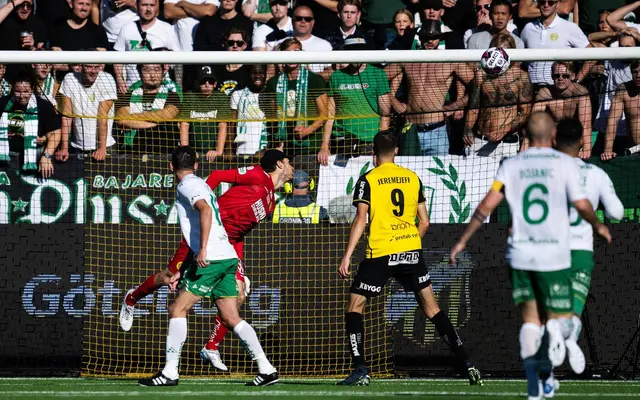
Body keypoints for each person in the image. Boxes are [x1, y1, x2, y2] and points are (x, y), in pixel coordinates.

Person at [450, 112, 612, 400]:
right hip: (555, 253)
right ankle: (561, 339)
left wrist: (462, 240)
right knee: (561, 317)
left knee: (529, 322)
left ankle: (537, 386)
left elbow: (487, 206)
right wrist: (597, 224)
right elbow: (581, 203)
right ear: (552, 137)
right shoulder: (564, 164)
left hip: (522, 254)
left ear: (526, 135)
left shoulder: (511, 165)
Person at [120, 149, 294, 372]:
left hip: (227, 245)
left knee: (239, 294)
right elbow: (218, 176)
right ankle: (132, 299)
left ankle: (211, 347)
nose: (292, 167)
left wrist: (237, 261)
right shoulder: (257, 174)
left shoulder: (271, 199)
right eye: (289, 162)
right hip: (203, 234)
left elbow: (239, 230)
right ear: (279, 164)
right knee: (168, 277)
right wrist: (205, 201)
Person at [337, 130, 483, 386]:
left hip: (380, 252)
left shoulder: (368, 179)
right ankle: (467, 363)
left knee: (355, 306)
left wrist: (347, 255)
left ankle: (361, 368)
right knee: (432, 308)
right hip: (411, 251)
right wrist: (407, 240)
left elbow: (361, 219)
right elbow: (424, 222)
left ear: (373, 153)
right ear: (396, 151)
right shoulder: (412, 178)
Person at [541, 118, 623, 397]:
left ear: (554, 140)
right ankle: (569, 336)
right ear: (581, 143)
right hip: (580, 250)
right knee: (573, 310)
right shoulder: (595, 174)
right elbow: (617, 213)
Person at [385, 20, 474, 156]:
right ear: (419, 38)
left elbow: (478, 86)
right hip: (411, 130)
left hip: (436, 130)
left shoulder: (450, 61)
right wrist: (394, 102)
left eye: (434, 37)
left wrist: (455, 106)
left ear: (441, 38)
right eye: (426, 37)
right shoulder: (408, 60)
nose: (430, 41)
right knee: (410, 174)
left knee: (438, 175)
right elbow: (379, 78)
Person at [320, 35, 391, 164]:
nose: (357, 54)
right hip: (342, 141)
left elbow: (385, 114)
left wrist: (380, 149)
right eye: (352, 50)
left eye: (360, 50)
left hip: (370, 143)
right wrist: (325, 146)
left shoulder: (378, 74)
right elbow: (330, 115)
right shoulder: (336, 76)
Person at [464, 34, 532, 158]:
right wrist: (468, 128)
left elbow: (525, 112)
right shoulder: (480, 76)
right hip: (481, 141)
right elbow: (473, 108)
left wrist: (505, 129)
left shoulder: (521, 77)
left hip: (507, 143)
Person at [262, 37, 328, 158]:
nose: (292, 56)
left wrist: (307, 130)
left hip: (309, 147)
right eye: (288, 53)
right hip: (282, 147)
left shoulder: (314, 80)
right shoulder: (273, 83)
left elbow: (324, 114)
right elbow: (271, 116)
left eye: (296, 52)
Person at [0, 69, 61, 178]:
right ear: (12, 88)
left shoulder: (44, 106)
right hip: (5, 158)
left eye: (25, 92)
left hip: (35, 157)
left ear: (32, 89)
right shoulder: (2, 103)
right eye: (18, 91)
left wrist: (46, 155)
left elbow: (55, 133)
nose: (21, 96)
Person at [113, 0, 181, 94]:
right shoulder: (127, 28)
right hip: (132, 89)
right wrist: (120, 80)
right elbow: (117, 58)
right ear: (136, 5)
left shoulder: (167, 29)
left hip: (160, 90)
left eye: (152, 5)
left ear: (157, 7)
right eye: (144, 5)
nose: (148, 9)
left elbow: (177, 60)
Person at [520, 0, 591, 87]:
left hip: (557, 91)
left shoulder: (570, 27)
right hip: (531, 88)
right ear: (538, 4)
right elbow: (520, 63)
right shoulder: (528, 28)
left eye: (550, 2)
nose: (546, 5)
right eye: (542, 2)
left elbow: (592, 56)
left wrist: (577, 80)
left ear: (557, 4)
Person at [528, 62, 592, 158]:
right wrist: (526, 148)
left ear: (573, 76)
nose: (560, 78)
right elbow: (533, 124)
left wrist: (587, 149)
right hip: (551, 142)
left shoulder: (580, 94)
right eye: (556, 75)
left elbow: (585, 124)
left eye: (565, 75)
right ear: (552, 76)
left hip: (572, 141)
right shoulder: (545, 93)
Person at [114, 63, 181, 154]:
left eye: (157, 70)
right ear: (139, 72)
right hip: (132, 150)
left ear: (163, 72)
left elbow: (167, 115)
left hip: (164, 151)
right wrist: (154, 123)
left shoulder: (172, 95)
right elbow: (122, 120)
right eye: (147, 70)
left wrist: (132, 118)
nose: (152, 75)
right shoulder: (128, 95)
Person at [56, 63, 118, 162]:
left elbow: (102, 117)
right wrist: (64, 148)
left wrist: (102, 149)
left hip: (105, 146)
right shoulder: (69, 78)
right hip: (77, 147)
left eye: (96, 67)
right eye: (89, 66)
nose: (93, 71)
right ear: (81, 67)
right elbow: (67, 116)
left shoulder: (107, 79)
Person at [178, 65, 232, 161]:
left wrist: (218, 151)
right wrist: (187, 150)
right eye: (203, 82)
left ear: (215, 84)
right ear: (197, 83)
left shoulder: (221, 98)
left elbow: (222, 125)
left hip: (213, 150)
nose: (207, 84)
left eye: (210, 82)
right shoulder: (190, 97)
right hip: (193, 148)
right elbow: (184, 125)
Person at [602, 60, 640, 160]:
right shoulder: (624, 90)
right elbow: (612, 121)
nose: (638, 75)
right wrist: (608, 150)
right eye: (635, 72)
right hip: (634, 151)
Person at [231, 64, 269, 157]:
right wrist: (228, 149)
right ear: (249, 74)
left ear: (265, 74)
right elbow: (231, 124)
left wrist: (266, 150)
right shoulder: (237, 94)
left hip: (264, 152)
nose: (257, 76)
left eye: (261, 73)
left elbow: (274, 127)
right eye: (254, 73)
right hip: (242, 149)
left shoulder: (270, 95)